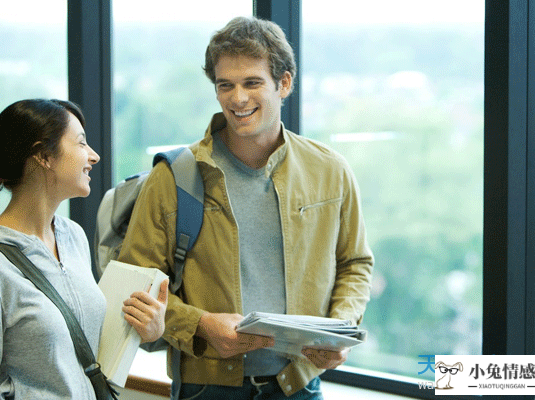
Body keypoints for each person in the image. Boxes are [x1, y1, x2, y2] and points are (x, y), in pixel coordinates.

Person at [118, 16, 373, 400]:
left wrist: (339, 329)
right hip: (206, 388)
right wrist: (201, 324)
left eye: (252, 83)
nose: (238, 98)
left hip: (299, 385)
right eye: (226, 85)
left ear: (284, 83)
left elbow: (354, 263)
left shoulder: (330, 170)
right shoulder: (174, 177)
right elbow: (136, 289)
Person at [0, 99, 169, 399]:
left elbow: (85, 349)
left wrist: (146, 332)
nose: (93, 156)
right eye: (81, 143)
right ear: (44, 155)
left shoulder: (73, 237)